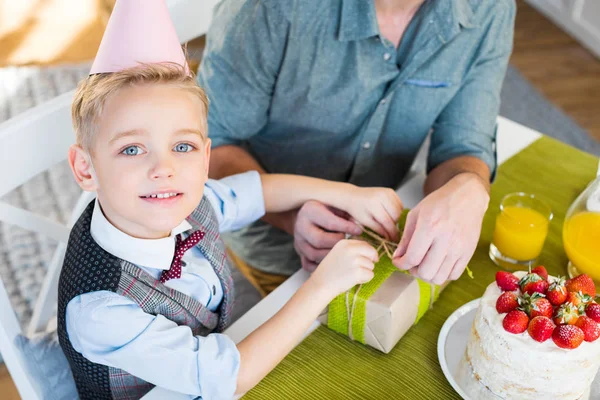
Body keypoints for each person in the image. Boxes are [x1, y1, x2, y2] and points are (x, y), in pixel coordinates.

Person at [57, 1, 402, 399]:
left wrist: (346, 194)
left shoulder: (190, 200)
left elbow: (257, 191)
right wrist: (321, 287)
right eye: (133, 149)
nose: (164, 168)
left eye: (182, 146)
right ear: (85, 168)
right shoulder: (99, 310)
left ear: (205, 159)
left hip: (228, 352)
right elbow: (227, 376)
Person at [198, 0, 516, 294]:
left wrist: (469, 186)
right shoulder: (271, 7)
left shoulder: (489, 9)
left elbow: (462, 145)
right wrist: (293, 217)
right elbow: (209, 144)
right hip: (270, 245)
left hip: (380, 247)